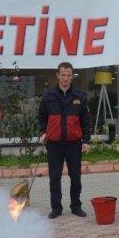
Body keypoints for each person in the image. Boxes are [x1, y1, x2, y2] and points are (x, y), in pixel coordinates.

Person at [38, 62, 91, 219]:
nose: (66, 78)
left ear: (72, 76)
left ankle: (76, 207)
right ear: (57, 75)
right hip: (54, 144)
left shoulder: (80, 96)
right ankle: (56, 208)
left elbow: (85, 121)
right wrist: (43, 132)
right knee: (55, 177)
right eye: (63, 75)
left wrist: (86, 140)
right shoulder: (48, 95)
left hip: (74, 143)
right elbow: (42, 117)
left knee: (75, 177)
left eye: (69, 75)